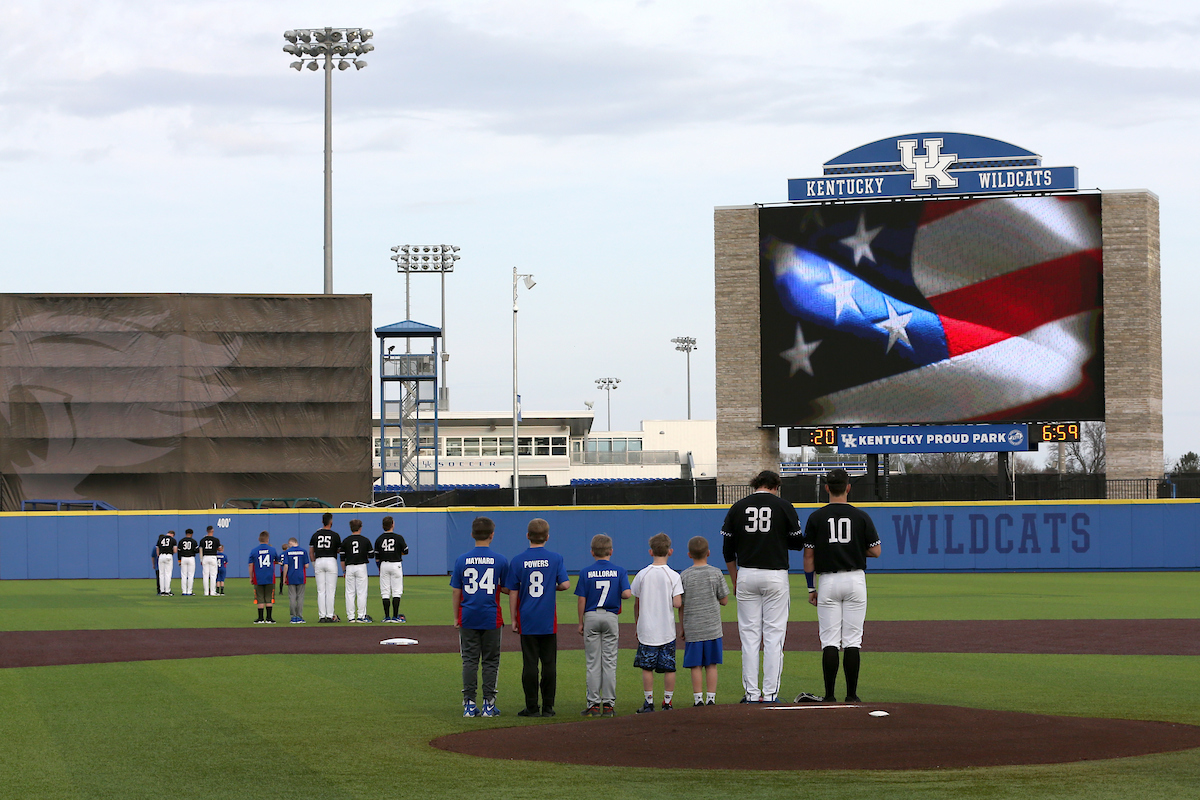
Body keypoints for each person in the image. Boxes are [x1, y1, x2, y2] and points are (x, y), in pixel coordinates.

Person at [721, 469, 808, 703]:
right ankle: (769, 694)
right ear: (775, 486)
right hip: (775, 575)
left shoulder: (738, 507)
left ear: (755, 484)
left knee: (749, 638)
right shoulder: (783, 506)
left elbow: (727, 550)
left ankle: (751, 694)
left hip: (746, 573)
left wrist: (735, 578)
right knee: (773, 638)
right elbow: (798, 543)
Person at [803, 468, 881, 703]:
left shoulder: (816, 517)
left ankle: (829, 695)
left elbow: (808, 557)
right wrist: (854, 549)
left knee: (829, 640)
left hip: (827, 581)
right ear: (848, 488)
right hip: (855, 579)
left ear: (827, 488)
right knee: (852, 640)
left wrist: (810, 588)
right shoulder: (861, 516)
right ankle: (851, 695)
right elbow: (876, 551)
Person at [506, 518, 570, 718]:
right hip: (547, 619)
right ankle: (548, 707)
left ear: (527, 536)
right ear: (547, 537)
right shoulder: (555, 558)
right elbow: (566, 585)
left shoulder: (518, 560)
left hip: (527, 618)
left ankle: (532, 707)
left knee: (530, 664)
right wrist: (553, 587)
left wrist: (514, 619)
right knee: (549, 663)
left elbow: (513, 591)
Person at [450, 517, 509, 718]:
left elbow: (456, 592)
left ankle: (468, 704)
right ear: (492, 535)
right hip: (491, 616)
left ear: (472, 534)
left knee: (469, 660)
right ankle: (489, 705)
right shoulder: (500, 559)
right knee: (491, 661)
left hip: (468, 614)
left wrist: (456, 617)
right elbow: (508, 588)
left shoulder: (461, 560)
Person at [575, 534, 631, 718]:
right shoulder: (619, 570)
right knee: (609, 662)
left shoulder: (585, 572)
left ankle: (593, 704)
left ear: (592, 552)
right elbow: (627, 594)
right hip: (610, 616)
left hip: (591, 615)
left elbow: (581, 599)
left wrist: (580, 621)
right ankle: (608, 704)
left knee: (593, 663)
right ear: (611, 551)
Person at [631, 533, 684, 713]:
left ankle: (649, 702)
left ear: (650, 551)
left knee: (647, 667)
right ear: (670, 551)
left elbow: (636, 601)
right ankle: (667, 702)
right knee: (669, 667)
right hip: (666, 630)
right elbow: (677, 603)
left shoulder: (642, 574)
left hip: (647, 628)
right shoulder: (673, 575)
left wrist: (637, 623)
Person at [679, 535, 729, 707]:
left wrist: (683, 627)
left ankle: (698, 698)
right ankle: (711, 698)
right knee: (711, 664)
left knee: (695, 665)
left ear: (689, 555)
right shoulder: (716, 573)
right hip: (712, 627)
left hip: (693, 627)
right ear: (708, 553)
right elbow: (724, 600)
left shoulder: (684, 575)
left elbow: (681, 605)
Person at [374, 516, 409, 623]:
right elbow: (406, 551)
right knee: (396, 591)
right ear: (392, 524)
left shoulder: (379, 539)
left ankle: (386, 616)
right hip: (396, 564)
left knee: (385, 592)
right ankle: (395, 616)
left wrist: (380, 567)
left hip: (384, 564)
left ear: (383, 526)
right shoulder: (398, 538)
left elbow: (377, 557)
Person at [309, 512, 342, 623]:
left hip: (319, 561)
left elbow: (311, 552)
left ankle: (322, 616)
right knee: (330, 590)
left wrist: (314, 563)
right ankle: (329, 615)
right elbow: (339, 550)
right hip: (331, 561)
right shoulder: (335, 535)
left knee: (321, 591)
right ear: (331, 521)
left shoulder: (315, 535)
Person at [340, 519, 374, 623]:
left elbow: (342, 558)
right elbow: (371, 555)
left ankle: (350, 617)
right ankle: (361, 616)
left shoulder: (346, 540)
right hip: (361, 566)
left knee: (350, 592)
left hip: (349, 567)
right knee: (361, 592)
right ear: (360, 527)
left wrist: (344, 571)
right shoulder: (365, 540)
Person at [248, 531, 280, 624]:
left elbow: (250, 564)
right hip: (270, 576)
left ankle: (260, 618)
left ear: (259, 539)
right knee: (269, 597)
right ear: (268, 539)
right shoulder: (272, 550)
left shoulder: (254, 551)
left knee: (260, 598)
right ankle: (269, 618)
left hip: (258, 577)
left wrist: (251, 577)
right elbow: (277, 560)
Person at [281, 537, 311, 623]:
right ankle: (300, 616)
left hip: (291, 576)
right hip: (301, 576)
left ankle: (293, 617)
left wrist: (284, 578)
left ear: (291, 543)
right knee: (300, 597)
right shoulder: (303, 551)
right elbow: (307, 566)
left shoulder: (287, 552)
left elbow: (285, 566)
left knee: (292, 597)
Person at [198, 525, 221, 597]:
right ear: (212, 531)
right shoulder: (216, 540)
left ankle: (206, 592)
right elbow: (219, 549)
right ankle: (212, 592)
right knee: (213, 575)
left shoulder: (202, 540)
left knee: (205, 575)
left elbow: (200, 550)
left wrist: (201, 559)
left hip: (205, 557)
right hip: (213, 557)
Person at [177, 529, 199, 596]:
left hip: (183, 558)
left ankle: (184, 591)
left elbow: (179, 552)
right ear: (192, 534)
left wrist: (179, 560)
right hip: (191, 558)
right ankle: (189, 591)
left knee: (183, 575)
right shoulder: (194, 541)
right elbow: (197, 550)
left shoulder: (181, 541)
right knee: (190, 575)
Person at [155, 530, 178, 596]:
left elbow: (157, 549)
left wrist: (159, 556)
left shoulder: (160, 539)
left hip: (161, 556)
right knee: (168, 574)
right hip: (168, 555)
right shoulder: (173, 540)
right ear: (172, 534)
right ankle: (167, 591)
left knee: (161, 574)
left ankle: (162, 591)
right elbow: (175, 550)